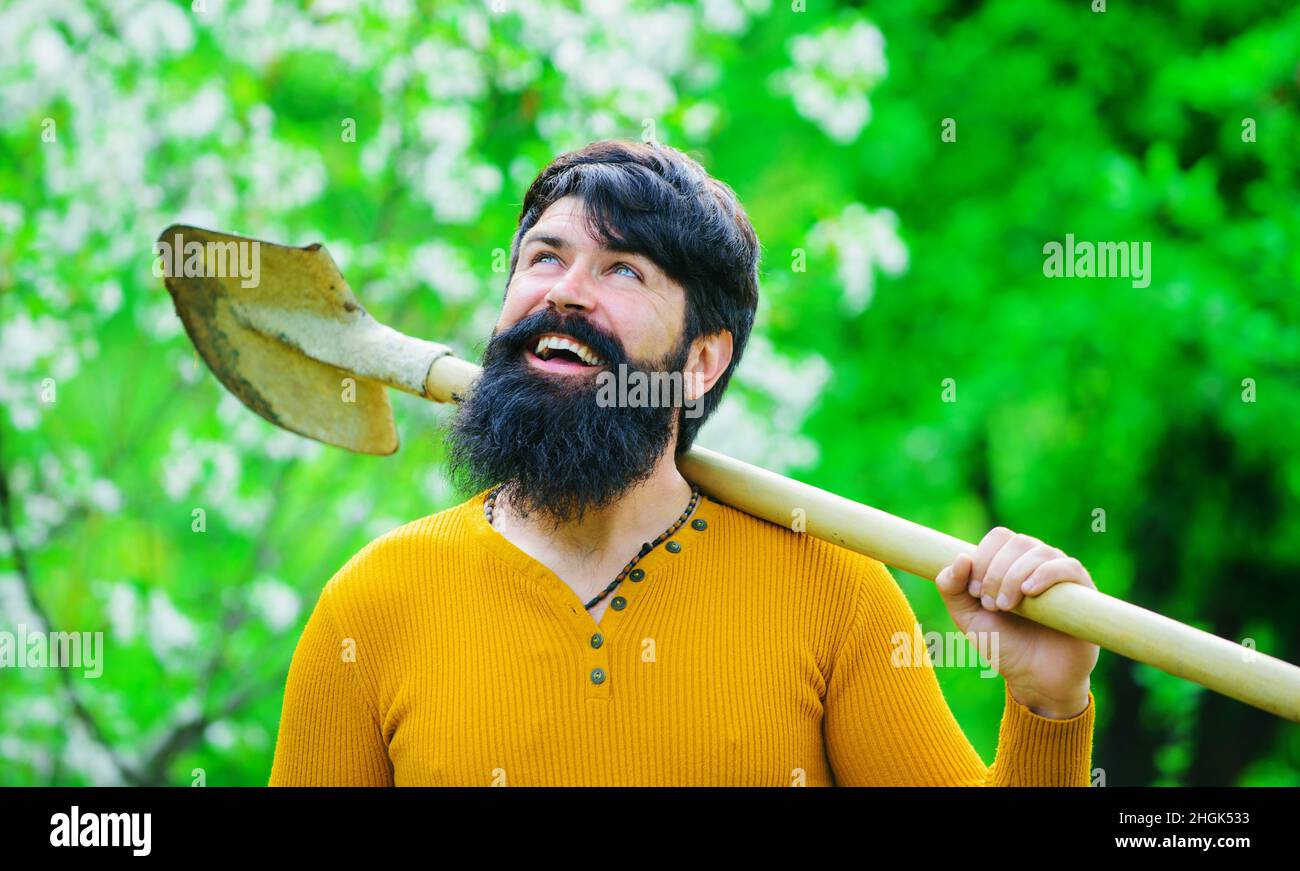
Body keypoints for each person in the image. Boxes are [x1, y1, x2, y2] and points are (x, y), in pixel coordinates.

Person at [269, 139, 1098, 786]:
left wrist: (1047, 703)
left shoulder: (832, 592)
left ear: (701, 361)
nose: (564, 292)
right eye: (545, 258)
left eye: (622, 269)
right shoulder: (371, 607)